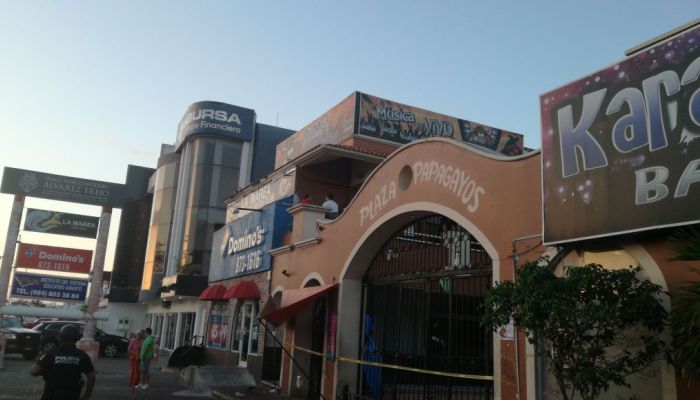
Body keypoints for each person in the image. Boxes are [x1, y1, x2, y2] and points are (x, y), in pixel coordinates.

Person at [31, 324, 95, 400]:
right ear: (76, 338)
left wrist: (45, 371)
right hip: (72, 395)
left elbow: (34, 371)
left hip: (51, 395)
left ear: (59, 337)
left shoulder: (51, 353)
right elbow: (91, 377)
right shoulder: (82, 355)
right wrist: (86, 396)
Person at [128, 330, 144, 395]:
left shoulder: (141, 341)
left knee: (138, 371)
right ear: (136, 335)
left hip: (139, 358)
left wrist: (140, 354)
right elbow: (129, 349)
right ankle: (132, 382)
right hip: (133, 358)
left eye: (140, 335)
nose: (139, 336)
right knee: (133, 370)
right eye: (138, 334)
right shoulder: (133, 341)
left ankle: (136, 382)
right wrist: (134, 354)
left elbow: (142, 349)